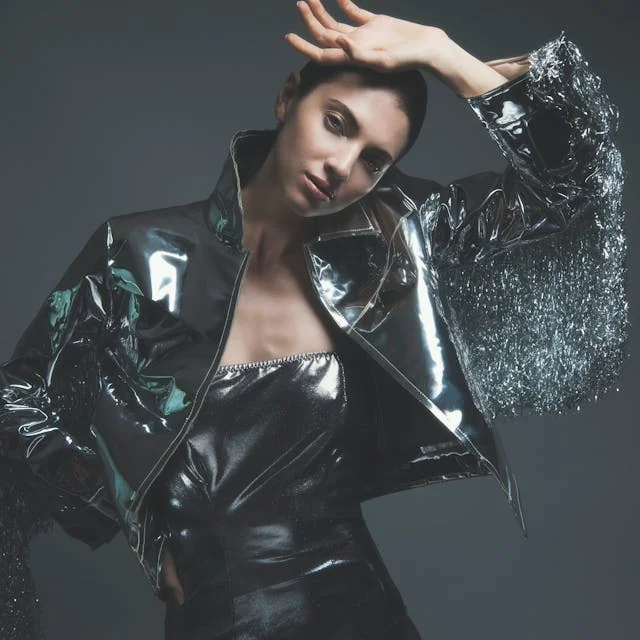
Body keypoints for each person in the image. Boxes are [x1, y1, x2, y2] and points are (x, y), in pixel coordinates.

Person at [0, 0, 627, 638]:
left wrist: (443, 52)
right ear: (287, 97)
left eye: (373, 160)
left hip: (358, 605)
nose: (341, 167)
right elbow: (17, 395)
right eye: (336, 123)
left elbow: (572, 184)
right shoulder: (138, 253)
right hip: (217, 614)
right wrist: (135, 516)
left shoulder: (394, 238)